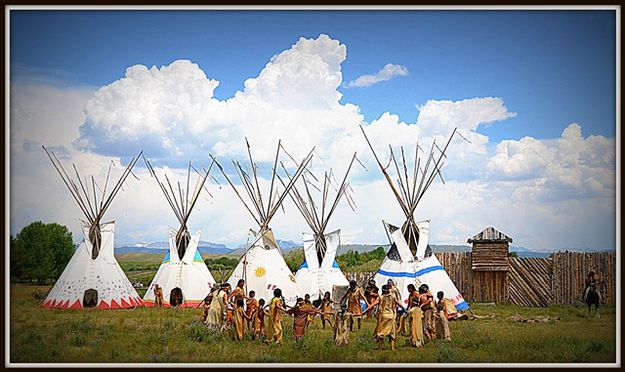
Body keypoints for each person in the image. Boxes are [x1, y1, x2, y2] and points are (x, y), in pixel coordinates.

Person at [364, 284, 406, 351]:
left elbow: (372, 305)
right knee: (392, 332)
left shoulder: (380, 297)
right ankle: (392, 347)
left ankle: (380, 347)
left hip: (383, 316)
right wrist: (405, 309)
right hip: (391, 316)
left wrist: (364, 311)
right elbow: (399, 304)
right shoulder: (393, 296)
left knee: (381, 332)